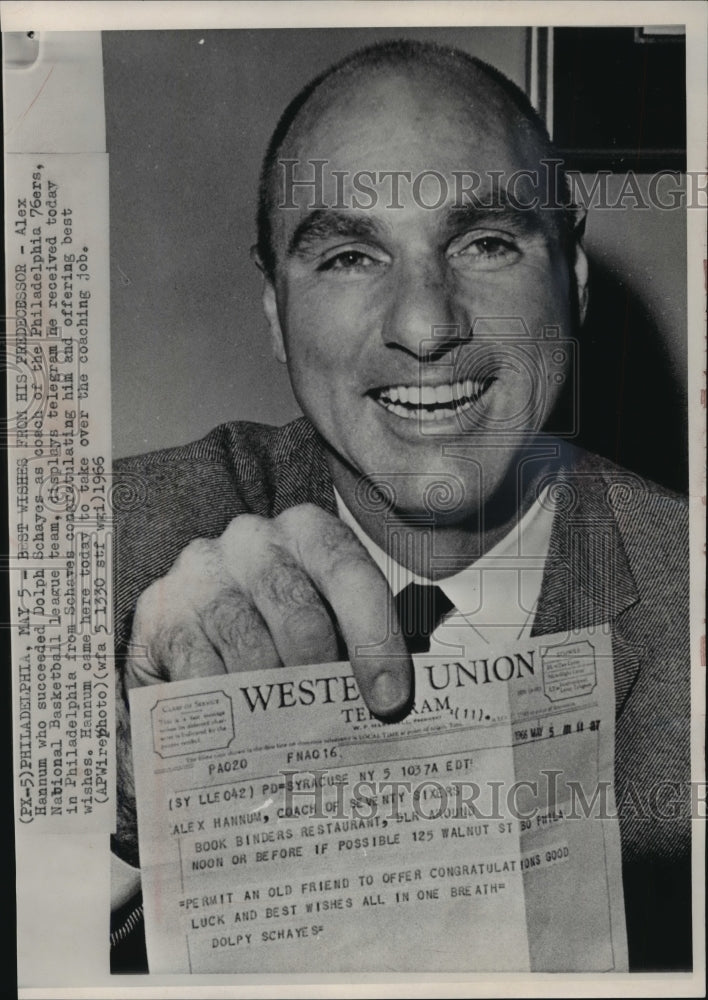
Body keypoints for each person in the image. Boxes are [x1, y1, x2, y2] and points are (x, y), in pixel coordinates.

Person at [110, 39, 691, 972]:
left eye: (486, 244)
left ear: (571, 280)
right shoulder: (94, 543)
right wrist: (125, 789)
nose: (426, 327)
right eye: (347, 255)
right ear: (273, 311)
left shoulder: (690, 592)